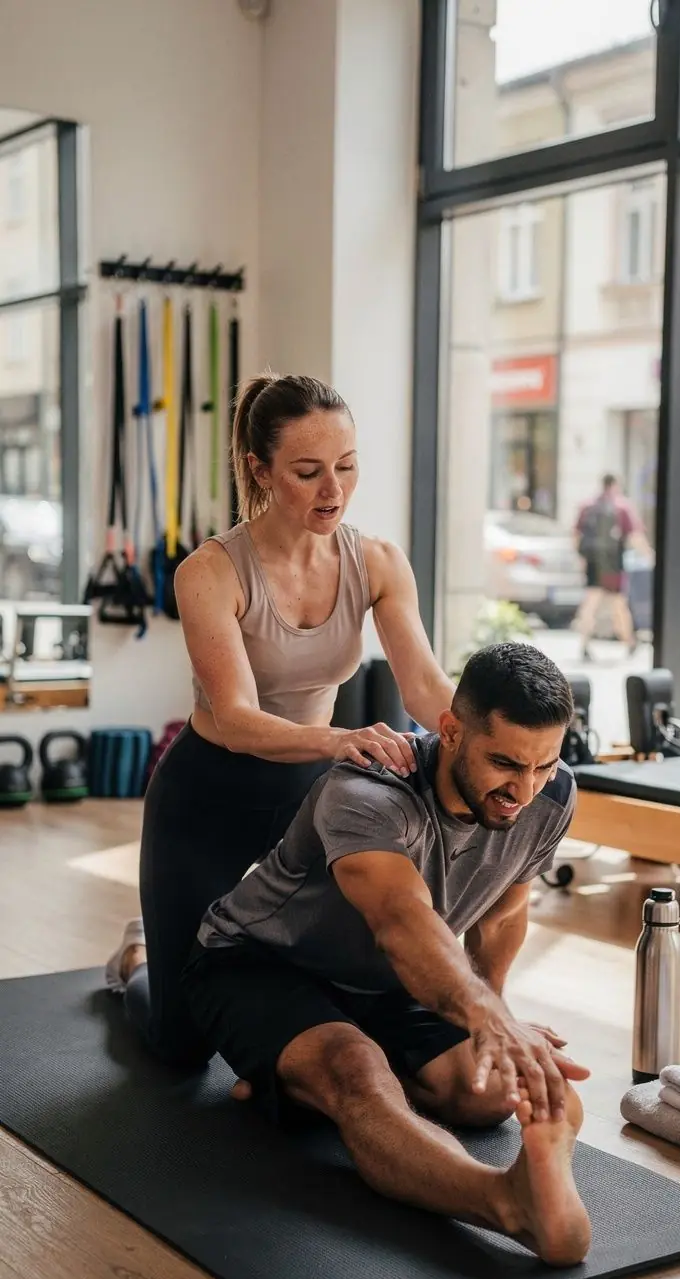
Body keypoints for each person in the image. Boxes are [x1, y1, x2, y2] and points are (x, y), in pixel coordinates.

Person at [180, 643, 593, 1266]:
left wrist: (495, 1012)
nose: (524, 790)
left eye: (544, 765)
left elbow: (505, 909)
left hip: (389, 981)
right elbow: (401, 922)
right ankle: (505, 1204)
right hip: (259, 962)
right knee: (356, 1072)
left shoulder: (551, 797)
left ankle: (296, 1089)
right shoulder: (368, 791)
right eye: (505, 763)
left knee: (493, 1094)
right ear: (450, 730)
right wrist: (486, 1017)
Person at [105, 371, 454, 1071]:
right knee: (180, 1048)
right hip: (208, 795)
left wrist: (495, 742)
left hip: (311, 802)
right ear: (260, 469)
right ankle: (140, 955)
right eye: (308, 471)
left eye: (347, 467)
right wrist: (340, 741)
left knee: (330, 983)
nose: (334, 490)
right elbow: (233, 718)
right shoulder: (210, 571)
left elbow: (424, 686)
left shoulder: (377, 561)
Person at [574, 473, 648, 662]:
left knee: (590, 605)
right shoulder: (622, 506)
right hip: (614, 564)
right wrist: (649, 555)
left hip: (594, 563)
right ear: (616, 485)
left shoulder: (587, 506)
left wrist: (582, 559)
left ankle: (584, 644)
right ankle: (629, 642)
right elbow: (635, 536)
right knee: (619, 605)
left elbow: (575, 535)